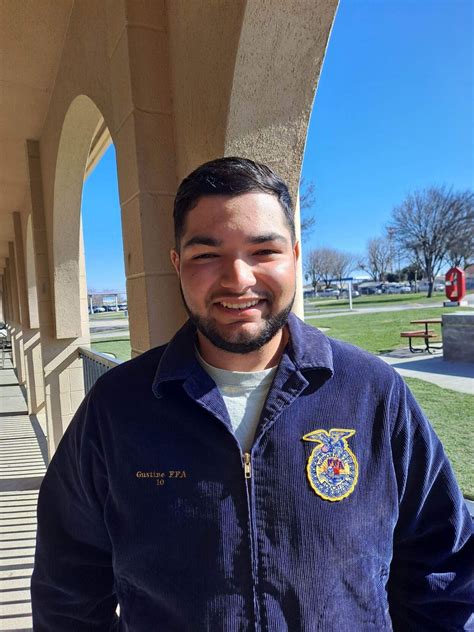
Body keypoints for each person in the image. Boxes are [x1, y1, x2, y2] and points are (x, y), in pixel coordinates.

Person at [31, 157, 473, 631]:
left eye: (264, 251)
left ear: (296, 257)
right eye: (206, 255)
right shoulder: (116, 408)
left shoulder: (372, 393)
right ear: (177, 264)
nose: (238, 279)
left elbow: (442, 570)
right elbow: (68, 590)